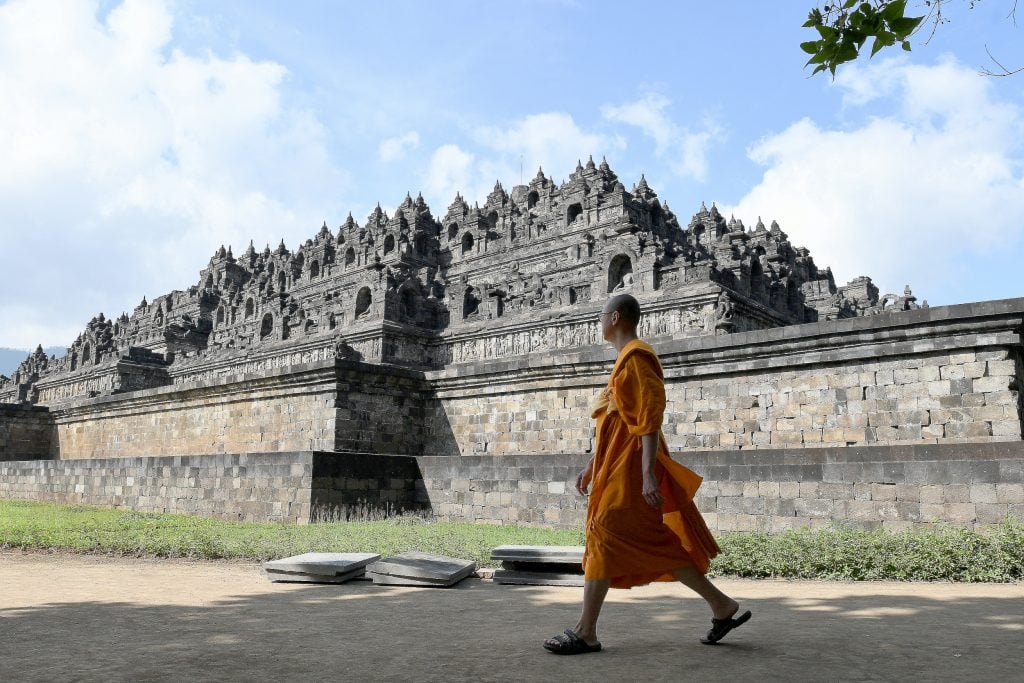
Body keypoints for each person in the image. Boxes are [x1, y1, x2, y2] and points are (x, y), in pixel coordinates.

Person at [543, 293, 751, 654]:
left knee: (604, 533)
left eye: (601, 315)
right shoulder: (624, 360)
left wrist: (648, 475)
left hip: (632, 468)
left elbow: (650, 419)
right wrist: (592, 465)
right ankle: (721, 605)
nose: (598, 322)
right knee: (640, 540)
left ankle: (585, 631)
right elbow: (616, 422)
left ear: (615, 317)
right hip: (616, 465)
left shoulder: (638, 357)